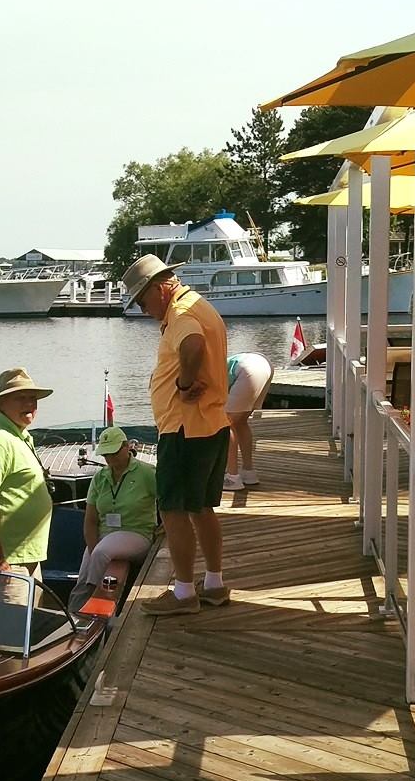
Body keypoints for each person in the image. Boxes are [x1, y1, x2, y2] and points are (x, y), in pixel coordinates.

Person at [120, 253, 229, 616]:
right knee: (202, 506)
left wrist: (183, 384)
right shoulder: (199, 306)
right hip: (211, 424)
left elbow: (193, 345)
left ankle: (184, 593)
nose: (141, 307)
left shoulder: (182, 313)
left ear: (160, 288)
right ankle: (213, 584)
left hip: (185, 429)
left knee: (173, 510)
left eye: (142, 299)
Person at [0, 367, 55, 605]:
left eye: (33, 398)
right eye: (21, 398)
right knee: (9, 637)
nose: (30, 404)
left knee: (27, 630)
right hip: (7, 565)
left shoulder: (18, 435)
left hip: (25, 558)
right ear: (2, 403)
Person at [69, 426, 158, 611]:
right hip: (104, 534)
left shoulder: (147, 473)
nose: (109, 459)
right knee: (86, 566)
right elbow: (91, 520)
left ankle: (90, 604)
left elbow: (167, 501)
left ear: (126, 447)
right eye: (106, 454)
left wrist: (165, 527)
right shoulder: (100, 477)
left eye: (114, 452)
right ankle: (74, 609)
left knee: (101, 552)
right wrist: (92, 549)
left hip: (136, 532)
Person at [222, 351, 273, 491]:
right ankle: (248, 472)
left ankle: (232, 477)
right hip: (264, 364)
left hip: (246, 369)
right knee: (240, 422)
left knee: (225, 424)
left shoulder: (201, 374)